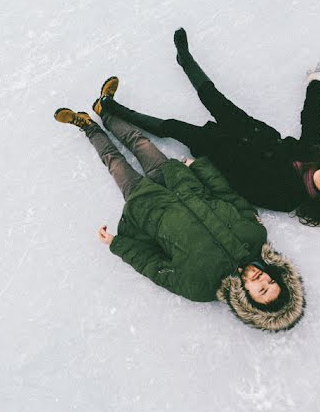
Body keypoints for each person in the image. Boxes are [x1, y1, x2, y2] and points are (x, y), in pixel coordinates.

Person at [54, 82, 305, 332]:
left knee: (114, 161)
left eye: (261, 289)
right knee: (138, 140)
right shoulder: (256, 236)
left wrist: (116, 243)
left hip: (148, 204)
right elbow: (228, 196)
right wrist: (199, 168)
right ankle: (105, 110)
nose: (262, 279)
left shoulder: (201, 286)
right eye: (271, 280)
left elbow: (153, 266)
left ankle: (87, 126)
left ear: (249, 300)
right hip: (179, 181)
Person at [95, 28, 320, 226]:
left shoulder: (290, 199)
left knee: (172, 127)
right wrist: (316, 80)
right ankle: (186, 59)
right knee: (211, 95)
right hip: (247, 129)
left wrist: (202, 169)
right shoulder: (313, 152)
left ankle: (112, 108)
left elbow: (243, 191)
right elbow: (311, 116)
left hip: (221, 152)